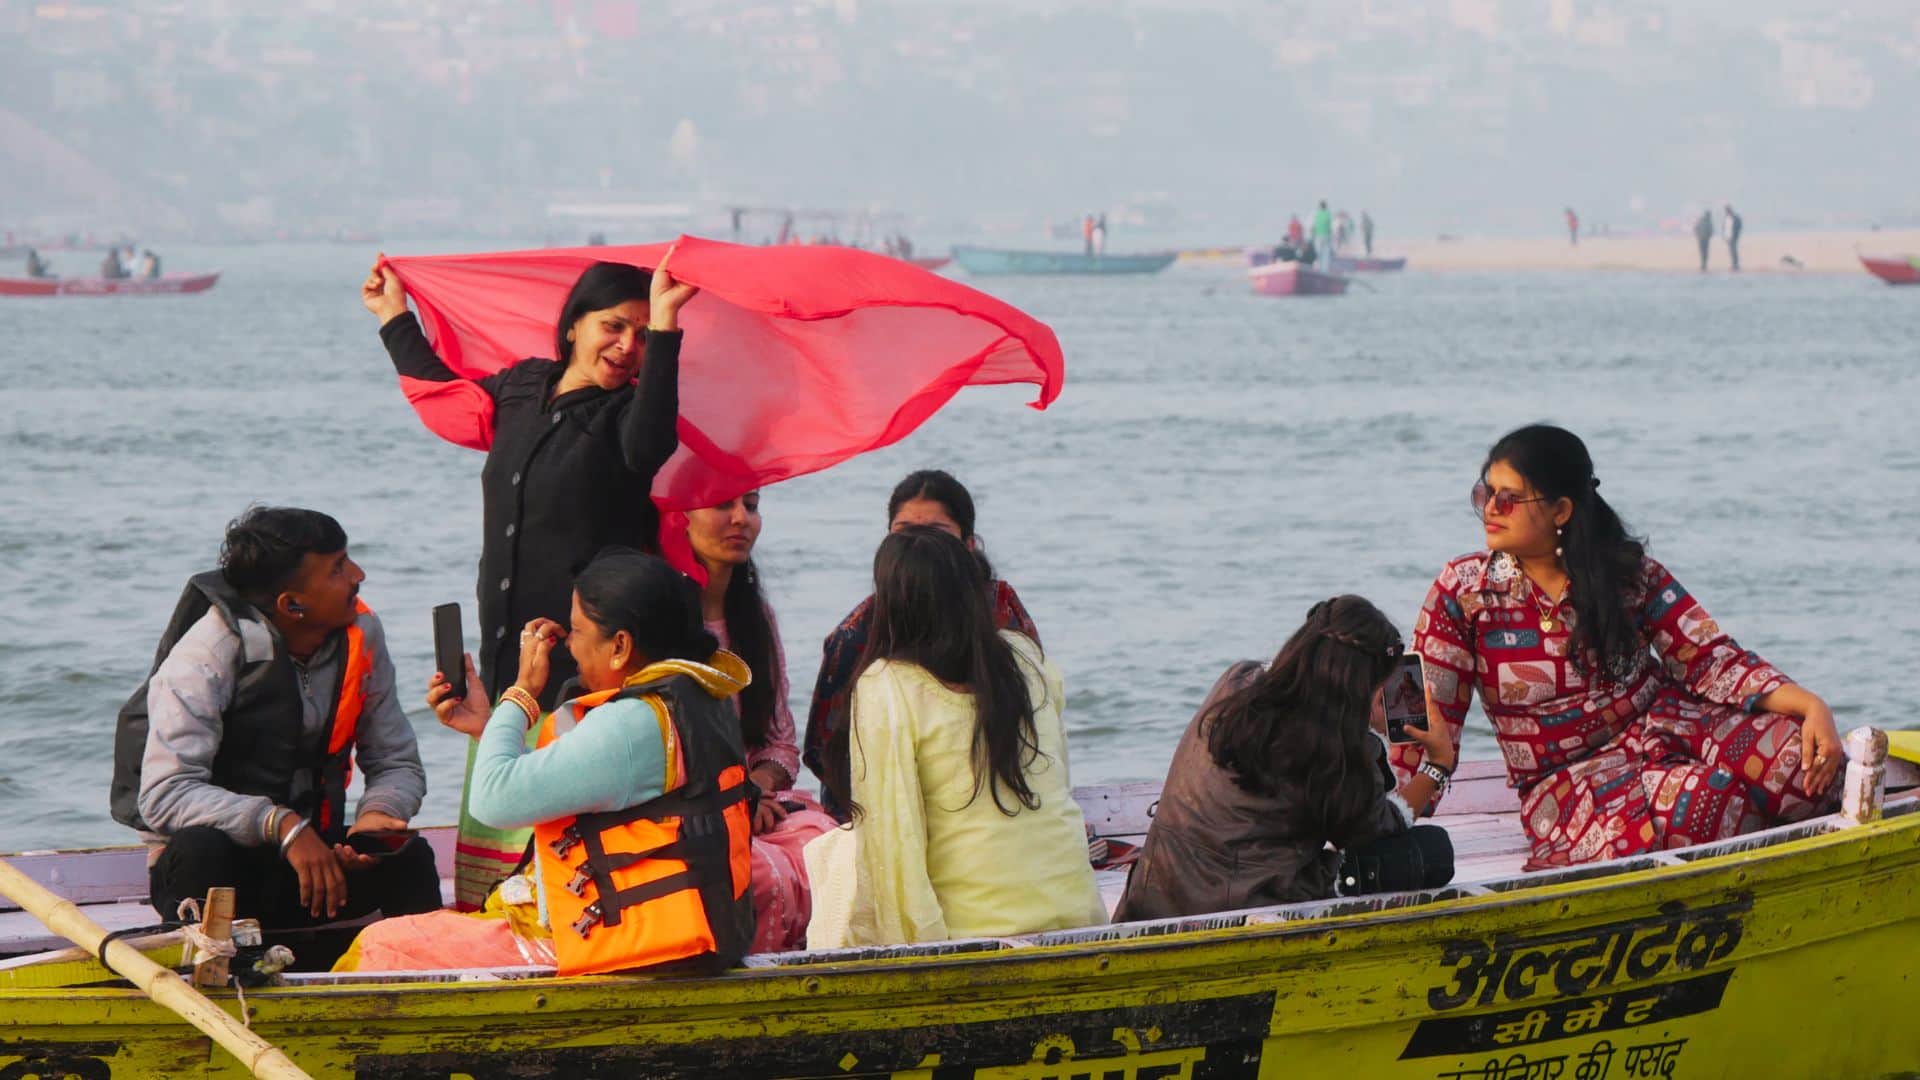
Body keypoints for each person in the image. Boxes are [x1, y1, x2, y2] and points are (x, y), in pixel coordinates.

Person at [364, 254, 698, 909]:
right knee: (496, 857)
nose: (626, 346)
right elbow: (445, 395)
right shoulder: (522, 387)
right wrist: (393, 316)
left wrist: (667, 328)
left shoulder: (627, 417)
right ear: (573, 325)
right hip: (511, 662)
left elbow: (651, 446)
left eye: (640, 335)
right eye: (613, 326)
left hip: (585, 673)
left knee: (559, 862)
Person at [1400, 424, 1843, 870]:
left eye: (1510, 498)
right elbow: (1416, 713)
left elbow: (1707, 656)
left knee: (1802, 761)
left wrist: (1810, 705)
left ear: (1561, 511)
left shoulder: (1625, 572)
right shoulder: (1463, 591)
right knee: (1704, 805)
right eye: (1486, 493)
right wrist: (1391, 813)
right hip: (1569, 782)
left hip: (1672, 725)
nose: (1491, 509)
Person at [346, 548, 757, 976]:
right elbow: (566, 781)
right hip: (681, 931)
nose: (571, 647)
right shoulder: (695, 697)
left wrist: (522, 691)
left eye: (577, 631)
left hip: (619, 942)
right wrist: (489, 728)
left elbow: (492, 800)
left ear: (620, 646)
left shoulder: (632, 723)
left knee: (379, 946)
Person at [109, 507, 438, 930]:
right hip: (224, 869)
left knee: (411, 857)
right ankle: (218, 962)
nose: (358, 575)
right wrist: (282, 826)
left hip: (316, 861)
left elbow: (397, 762)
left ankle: (421, 965)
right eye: (338, 568)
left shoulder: (363, 634)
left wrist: (375, 820)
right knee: (200, 852)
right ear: (292, 604)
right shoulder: (206, 654)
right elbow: (164, 795)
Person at [803, 527, 1104, 948]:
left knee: (838, 856)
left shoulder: (886, 685)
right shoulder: (1026, 656)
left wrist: (922, 952)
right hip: (1079, 911)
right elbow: (1058, 781)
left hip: (973, 931)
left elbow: (894, 844)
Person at [1115, 597, 1455, 921]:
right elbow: (1376, 831)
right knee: (1432, 850)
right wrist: (1437, 764)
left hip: (1155, 893)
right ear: (1364, 685)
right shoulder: (1333, 744)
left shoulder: (1237, 681)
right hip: (1249, 900)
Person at [802, 470, 1040, 819]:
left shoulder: (1000, 613)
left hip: (993, 801)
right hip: (878, 808)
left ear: (968, 545)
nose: (919, 546)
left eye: (936, 532)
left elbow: (1036, 721)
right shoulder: (856, 635)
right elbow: (824, 752)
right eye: (905, 532)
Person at [678, 491, 839, 952]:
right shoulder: (663, 626)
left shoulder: (756, 619)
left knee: (834, 848)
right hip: (692, 809)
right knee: (761, 876)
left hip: (760, 802)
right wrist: (734, 798)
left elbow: (780, 744)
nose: (740, 519)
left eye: (751, 506)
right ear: (679, 516)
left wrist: (754, 788)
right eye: (722, 505)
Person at [1310, 201, 1333, 271]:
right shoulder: (1328, 214)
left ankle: (1318, 268)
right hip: (1326, 236)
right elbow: (1331, 227)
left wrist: (1313, 236)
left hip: (1318, 236)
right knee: (1326, 253)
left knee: (1318, 253)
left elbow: (1312, 227)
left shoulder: (1316, 214)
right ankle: (1325, 269)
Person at [1723, 204, 1743, 272]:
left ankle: (1735, 265)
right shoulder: (1726, 218)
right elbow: (1725, 227)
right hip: (1728, 236)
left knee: (1733, 251)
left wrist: (1736, 234)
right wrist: (1724, 236)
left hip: (1733, 236)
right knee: (1731, 251)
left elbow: (1739, 226)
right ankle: (1734, 264)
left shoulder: (1735, 217)